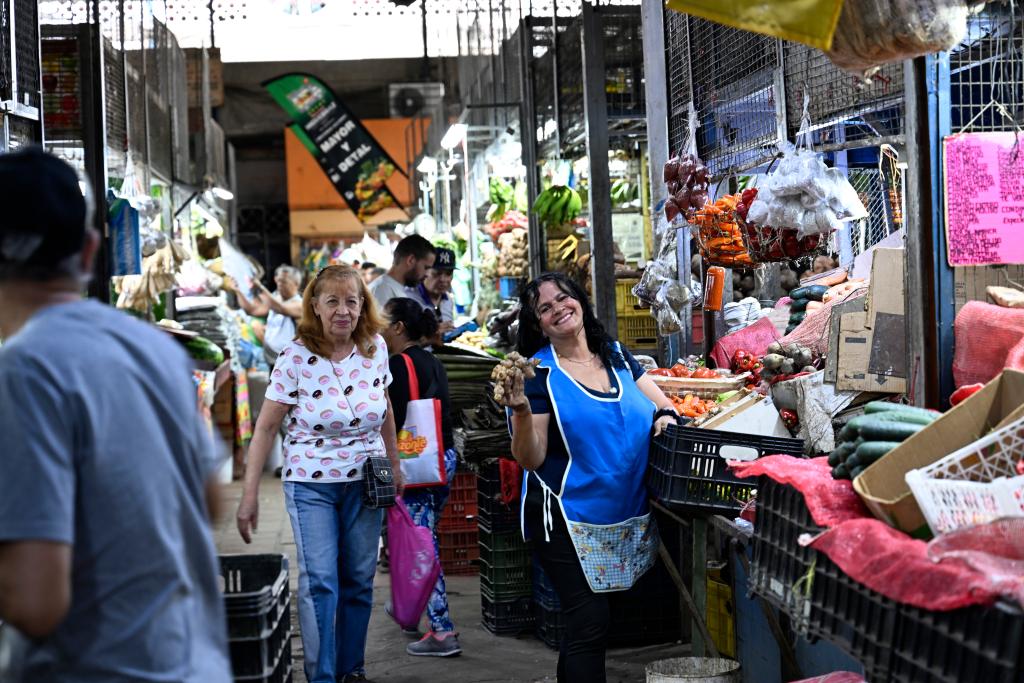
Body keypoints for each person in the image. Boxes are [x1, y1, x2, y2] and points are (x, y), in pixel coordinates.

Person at [0, 147, 231, 681]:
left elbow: (36, 602)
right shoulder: (152, 347)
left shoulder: (23, 371)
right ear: (89, 251)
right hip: (194, 665)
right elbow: (210, 499)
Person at [495, 272, 678, 683]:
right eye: (545, 308)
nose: (558, 309)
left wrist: (666, 419)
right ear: (538, 323)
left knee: (592, 623)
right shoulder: (538, 375)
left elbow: (663, 405)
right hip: (563, 515)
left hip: (621, 508)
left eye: (564, 298)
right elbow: (530, 458)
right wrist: (521, 410)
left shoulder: (615, 354)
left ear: (579, 299)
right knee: (589, 620)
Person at [237, 264, 405, 683]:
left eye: (352, 301)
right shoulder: (294, 357)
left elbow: (385, 407)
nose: (343, 311)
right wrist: (249, 494)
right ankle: (322, 676)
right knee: (321, 581)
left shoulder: (374, 347)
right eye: (332, 301)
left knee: (359, 580)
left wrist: (395, 461)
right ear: (315, 305)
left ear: (363, 306)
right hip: (311, 484)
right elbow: (266, 428)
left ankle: (352, 669)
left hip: (366, 481)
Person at [380, 298, 461, 658]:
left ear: (398, 327)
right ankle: (408, 609)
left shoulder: (397, 365)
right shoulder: (433, 361)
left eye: (383, 322)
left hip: (416, 466)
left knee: (422, 548)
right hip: (442, 460)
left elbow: (391, 421)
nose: (377, 328)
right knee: (423, 540)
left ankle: (442, 631)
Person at [227, 264, 303, 367]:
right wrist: (237, 290)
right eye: (278, 281)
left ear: (296, 284)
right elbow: (252, 310)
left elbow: (281, 308)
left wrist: (259, 287)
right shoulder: (276, 298)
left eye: (284, 281)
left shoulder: (300, 304)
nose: (280, 284)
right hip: (273, 359)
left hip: (289, 363)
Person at [368, 234, 436, 308]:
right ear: (411, 260)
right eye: (426, 268)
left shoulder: (391, 288)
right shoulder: (382, 290)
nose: (427, 274)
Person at [411, 246, 457, 342]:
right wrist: (430, 335)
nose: (443, 279)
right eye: (437, 273)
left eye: (448, 274)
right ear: (424, 272)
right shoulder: (409, 300)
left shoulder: (448, 300)